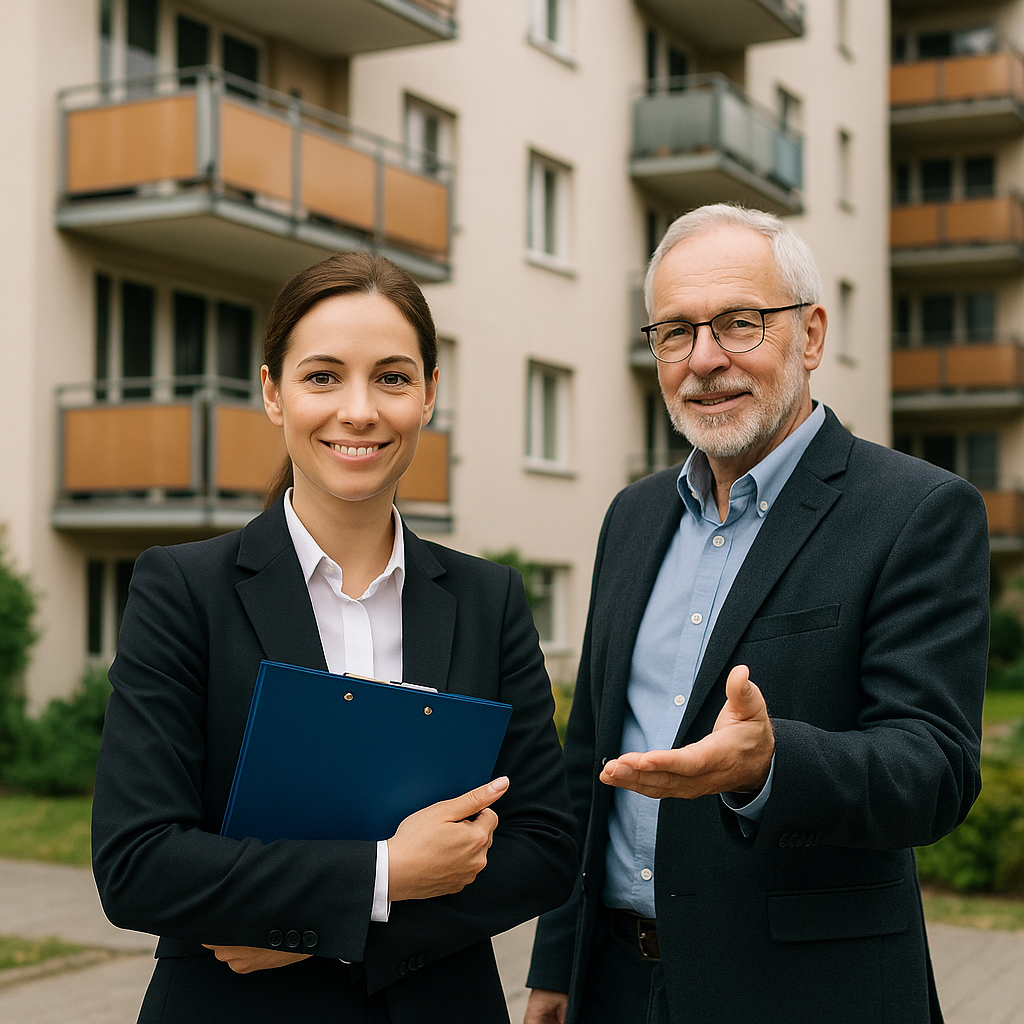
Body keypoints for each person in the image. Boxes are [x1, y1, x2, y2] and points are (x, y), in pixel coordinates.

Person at [524, 204, 989, 1024]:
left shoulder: (918, 511)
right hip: (614, 984)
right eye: (675, 332)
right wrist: (556, 967)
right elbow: (587, 762)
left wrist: (770, 766)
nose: (704, 360)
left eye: (740, 324)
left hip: (805, 994)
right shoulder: (630, 518)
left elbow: (935, 770)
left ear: (810, 336)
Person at [92, 252, 578, 1024]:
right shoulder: (183, 590)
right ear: (272, 394)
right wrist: (386, 874)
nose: (359, 411)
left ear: (427, 397)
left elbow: (546, 848)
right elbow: (138, 862)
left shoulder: (489, 599)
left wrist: (324, 924)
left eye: (391, 377)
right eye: (322, 377)